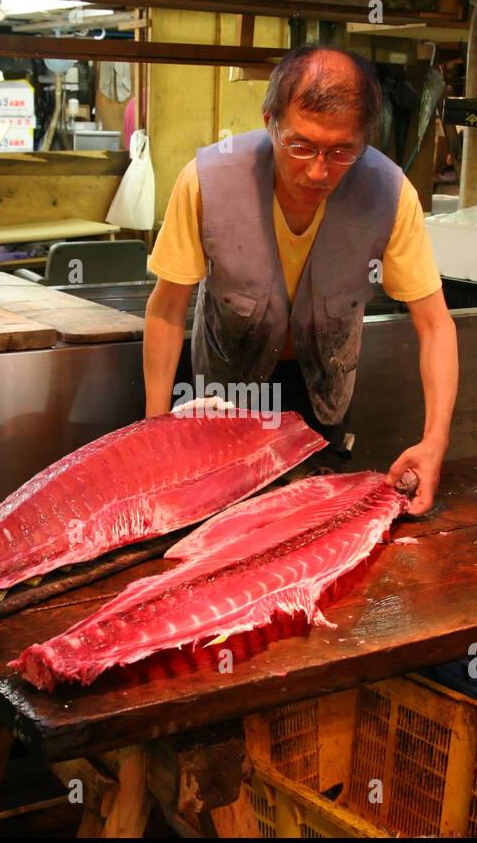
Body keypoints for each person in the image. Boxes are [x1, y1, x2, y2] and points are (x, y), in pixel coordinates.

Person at [144, 45, 459, 515]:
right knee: (212, 531)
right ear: (269, 119)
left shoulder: (389, 194)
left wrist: (435, 442)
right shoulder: (208, 181)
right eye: (301, 145)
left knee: (303, 530)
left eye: (341, 151)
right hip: (222, 399)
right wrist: (155, 432)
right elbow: (166, 311)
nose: (318, 171)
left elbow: (435, 325)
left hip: (322, 401)